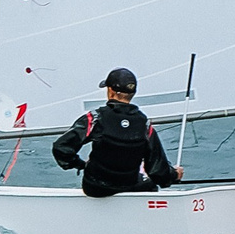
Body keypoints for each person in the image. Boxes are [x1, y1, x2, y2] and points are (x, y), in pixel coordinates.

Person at [50, 67, 181, 197]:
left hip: (96, 188)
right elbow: (158, 170)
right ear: (133, 93)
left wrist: (80, 164)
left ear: (110, 91)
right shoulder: (144, 124)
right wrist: (174, 174)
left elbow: (61, 147)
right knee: (150, 184)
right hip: (129, 185)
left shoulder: (95, 118)